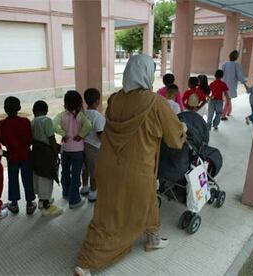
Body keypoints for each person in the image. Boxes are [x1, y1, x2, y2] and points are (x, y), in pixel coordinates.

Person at [74, 54, 186, 276]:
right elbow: (174, 138)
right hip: (137, 167)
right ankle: (87, 260)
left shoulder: (115, 99)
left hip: (108, 163)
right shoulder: (156, 102)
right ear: (146, 74)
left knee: (126, 203)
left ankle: (153, 237)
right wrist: (183, 127)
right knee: (113, 217)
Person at [53, 91, 91, 209]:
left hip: (65, 150)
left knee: (65, 172)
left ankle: (66, 192)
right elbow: (89, 125)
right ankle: (74, 200)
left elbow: (54, 125)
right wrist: (81, 134)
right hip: (78, 150)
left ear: (66, 103)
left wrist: (63, 133)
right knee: (75, 174)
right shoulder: (81, 115)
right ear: (80, 102)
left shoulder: (62, 115)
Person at [0, 97, 37, 215]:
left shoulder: (2, 124)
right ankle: (30, 204)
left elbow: (2, 140)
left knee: (13, 179)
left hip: (12, 156)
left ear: (5, 109)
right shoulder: (25, 121)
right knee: (27, 179)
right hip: (26, 155)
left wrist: (6, 151)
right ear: (19, 108)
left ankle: (14, 204)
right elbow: (31, 139)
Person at [31, 100, 63, 217]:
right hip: (46, 153)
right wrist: (56, 154)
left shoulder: (33, 122)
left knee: (39, 175)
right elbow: (51, 139)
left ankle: (41, 200)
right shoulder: (47, 120)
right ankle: (46, 205)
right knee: (47, 176)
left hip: (36, 152)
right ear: (46, 110)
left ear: (33, 111)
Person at [81, 88, 106, 202]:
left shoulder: (82, 114)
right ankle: (93, 191)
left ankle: (84, 187)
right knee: (94, 171)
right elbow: (100, 133)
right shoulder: (98, 116)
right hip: (94, 147)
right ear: (97, 101)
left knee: (85, 168)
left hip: (82, 145)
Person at [221, 50, 246, 120]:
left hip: (224, 85)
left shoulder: (224, 64)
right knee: (228, 100)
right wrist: (244, 83)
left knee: (228, 99)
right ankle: (223, 115)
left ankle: (228, 111)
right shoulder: (237, 65)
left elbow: (221, 74)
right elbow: (240, 75)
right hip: (231, 86)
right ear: (236, 57)